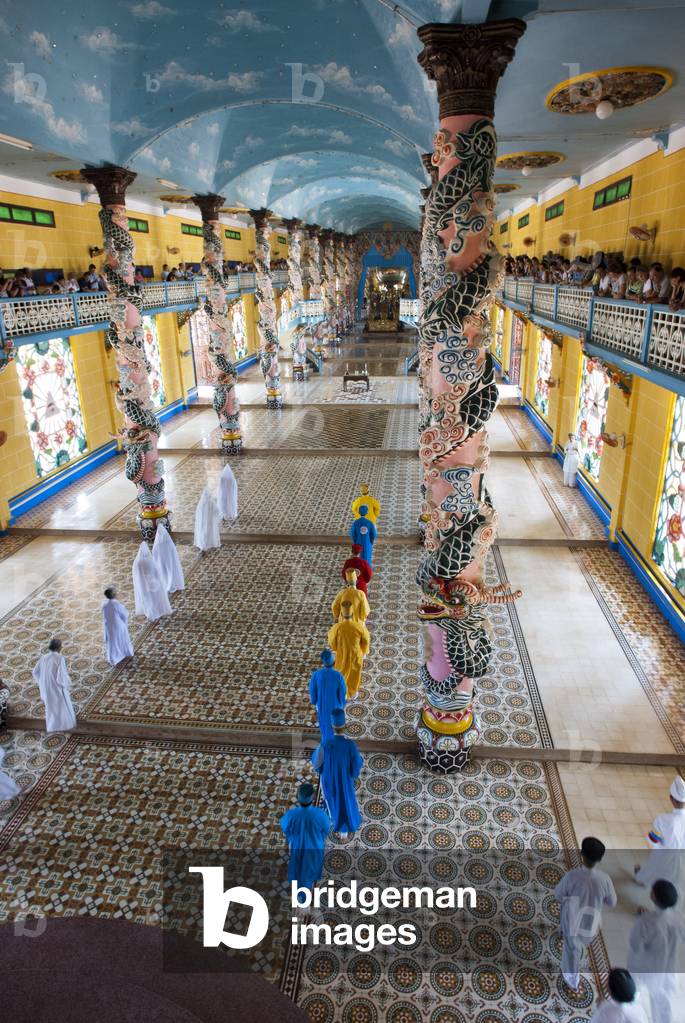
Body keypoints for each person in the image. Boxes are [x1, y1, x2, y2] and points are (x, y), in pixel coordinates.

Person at [554, 836, 617, 991]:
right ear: (600, 859)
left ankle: (572, 979)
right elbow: (612, 902)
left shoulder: (573, 876)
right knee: (580, 943)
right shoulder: (605, 880)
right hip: (591, 922)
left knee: (572, 951)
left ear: (582, 854)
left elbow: (558, 895)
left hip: (572, 920)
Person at [628, 879, 685, 1023]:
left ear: (653, 896)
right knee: (661, 1002)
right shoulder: (680, 918)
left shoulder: (645, 921)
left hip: (645, 966)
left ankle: (628, 1014)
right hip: (669, 968)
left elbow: (635, 944)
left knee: (633, 990)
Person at [312, 708, 363, 835]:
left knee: (330, 801)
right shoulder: (350, 745)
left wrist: (321, 770)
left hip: (328, 780)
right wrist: (353, 773)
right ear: (345, 726)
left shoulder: (325, 744)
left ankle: (329, 821)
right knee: (345, 801)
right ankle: (343, 831)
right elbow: (356, 765)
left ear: (332, 726)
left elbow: (317, 763)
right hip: (344, 781)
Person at [280, 782, 332, 901]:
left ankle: (301, 898)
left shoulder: (291, 814)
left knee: (298, 871)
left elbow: (285, 828)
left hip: (296, 848)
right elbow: (326, 830)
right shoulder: (320, 814)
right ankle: (304, 896)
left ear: (298, 797)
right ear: (313, 798)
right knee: (309, 872)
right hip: (314, 848)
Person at [635, 775, 685, 892]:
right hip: (681, 861)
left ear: (671, 798)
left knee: (653, 871)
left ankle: (642, 878)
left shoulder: (663, 820)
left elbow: (654, 841)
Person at [327, 599, 370, 701]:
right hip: (356, 655)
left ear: (342, 613)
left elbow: (332, 641)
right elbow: (366, 640)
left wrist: (335, 648)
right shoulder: (359, 627)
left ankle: (341, 692)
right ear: (352, 613)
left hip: (342, 654)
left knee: (342, 672)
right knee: (354, 674)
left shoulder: (337, 627)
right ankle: (352, 693)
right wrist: (363, 651)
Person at [32, 638, 77, 734]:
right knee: (62, 706)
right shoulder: (60, 658)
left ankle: (53, 726)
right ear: (58, 647)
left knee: (51, 707)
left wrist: (41, 682)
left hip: (45, 687)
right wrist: (67, 684)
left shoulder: (43, 657)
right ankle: (66, 724)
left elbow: (35, 672)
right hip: (56, 686)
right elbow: (61, 675)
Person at [308, 650, 347, 744]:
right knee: (336, 724)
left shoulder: (316, 674)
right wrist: (342, 703)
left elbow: (312, 690)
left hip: (321, 705)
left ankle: (326, 742)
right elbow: (343, 692)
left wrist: (314, 701)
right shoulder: (338, 675)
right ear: (334, 662)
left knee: (324, 724)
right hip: (336, 705)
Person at [132, 542, 173, 621]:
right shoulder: (149, 560)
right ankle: (158, 610)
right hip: (153, 583)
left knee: (147, 599)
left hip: (143, 585)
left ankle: (151, 612)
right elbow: (156, 572)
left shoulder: (136, 562)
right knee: (155, 598)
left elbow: (136, 576)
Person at [101, 587, 134, 666]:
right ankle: (125, 652)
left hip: (108, 625)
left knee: (113, 641)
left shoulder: (104, 603)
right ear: (114, 595)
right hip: (117, 625)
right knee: (121, 638)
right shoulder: (115, 603)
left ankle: (114, 657)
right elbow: (125, 614)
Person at [152, 525, 185, 593]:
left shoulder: (156, 545)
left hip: (161, 563)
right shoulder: (169, 543)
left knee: (165, 573)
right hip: (169, 561)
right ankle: (172, 583)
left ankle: (167, 583)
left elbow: (155, 556)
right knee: (170, 571)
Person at [194, 487, 222, 551]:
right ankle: (208, 544)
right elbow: (217, 511)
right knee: (208, 533)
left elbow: (197, 514)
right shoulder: (211, 502)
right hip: (209, 522)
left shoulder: (200, 503)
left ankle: (202, 544)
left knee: (203, 532)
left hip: (202, 523)